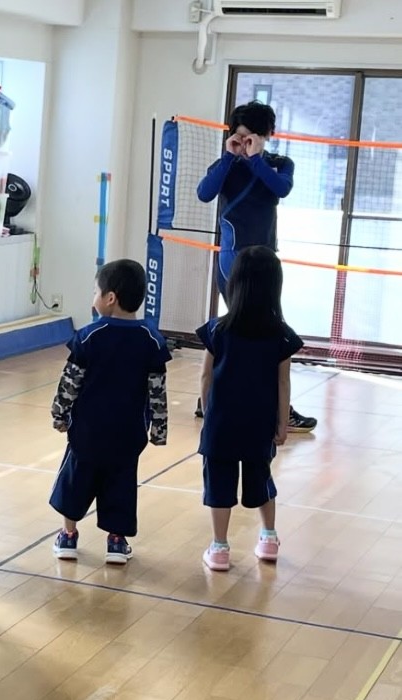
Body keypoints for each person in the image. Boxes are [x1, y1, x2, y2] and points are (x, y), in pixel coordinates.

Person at [196, 100, 316, 434]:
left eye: (251, 136)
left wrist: (256, 159)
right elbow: (204, 193)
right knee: (234, 327)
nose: (244, 141)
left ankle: (277, 406)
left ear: (266, 135)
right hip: (232, 258)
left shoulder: (280, 163)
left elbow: (282, 189)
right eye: (239, 135)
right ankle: (211, 398)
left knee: (271, 327)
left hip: (264, 261)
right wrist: (229, 157)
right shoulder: (226, 164)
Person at [50, 259, 170, 565]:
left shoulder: (89, 336)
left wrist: (59, 414)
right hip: (128, 433)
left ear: (110, 298)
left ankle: (68, 535)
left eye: (95, 292)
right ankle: (116, 541)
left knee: (75, 480)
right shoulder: (151, 340)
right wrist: (159, 429)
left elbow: (70, 382)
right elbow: (157, 391)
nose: (93, 298)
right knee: (121, 485)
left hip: (87, 431)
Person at [197, 246, 303, 572]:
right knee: (261, 478)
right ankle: (269, 538)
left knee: (219, 484)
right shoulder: (281, 335)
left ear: (235, 284)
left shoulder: (217, 329)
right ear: (274, 287)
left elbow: (205, 376)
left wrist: (208, 413)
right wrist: (282, 423)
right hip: (259, 424)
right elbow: (283, 382)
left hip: (221, 424)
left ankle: (219, 548)